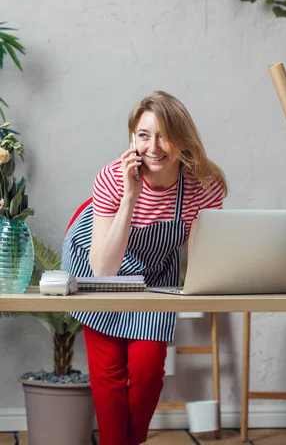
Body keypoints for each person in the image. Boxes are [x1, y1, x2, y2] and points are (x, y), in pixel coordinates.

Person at [61, 91, 227, 445]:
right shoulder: (111, 178)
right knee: (108, 376)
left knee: (148, 370)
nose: (154, 146)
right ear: (132, 139)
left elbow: (199, 262)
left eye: (164, 134)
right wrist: (130, 197)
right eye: (143, 135)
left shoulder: (203, 186)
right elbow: (103, 267)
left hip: (155, 272)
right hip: (99, 260)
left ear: (183, 138)